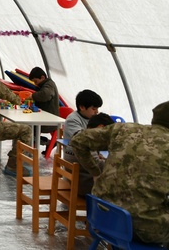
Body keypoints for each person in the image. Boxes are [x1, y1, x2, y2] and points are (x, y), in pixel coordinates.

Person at [69, 101, 169, 246]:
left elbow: (78, 140)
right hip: (142, 228)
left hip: (101, 215)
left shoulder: (123, 129)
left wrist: (95, 172)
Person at [62, 90, 104, 195]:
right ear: (82, 107)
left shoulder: (92, 119)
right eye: (94, 109)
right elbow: (83, 139)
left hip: (83, 168)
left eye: (97, 109)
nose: (96, 112)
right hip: (80, 174)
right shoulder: (73, 120)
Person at [28, 67, 60, 135]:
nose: (35, 84)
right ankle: (34, 139)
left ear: (42, 77)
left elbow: (46, 95)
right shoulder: (45, 85)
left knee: (26, 126)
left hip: (49, 122)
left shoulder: (49, 84)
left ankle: (34, 139)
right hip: (45, 119)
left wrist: (33, 96)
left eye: (36, 81)